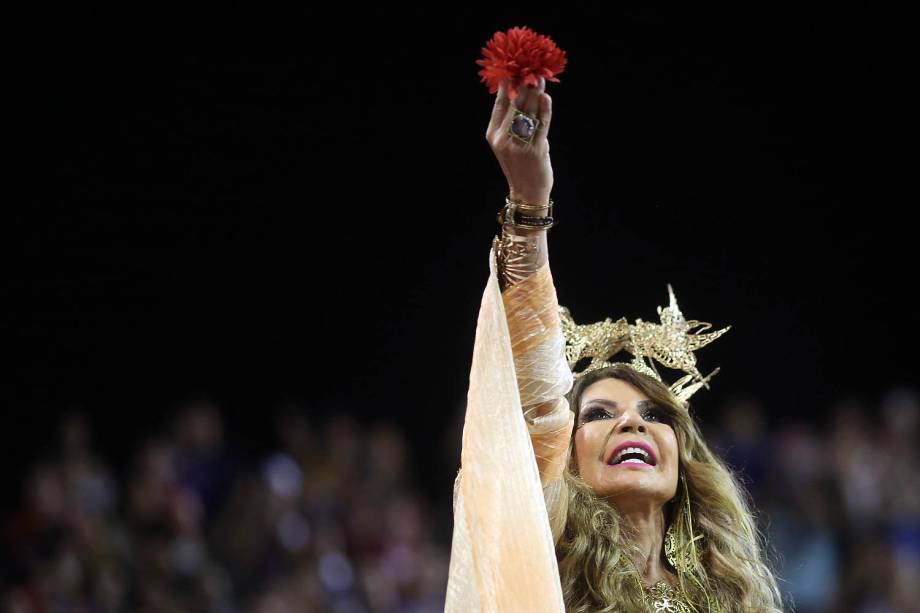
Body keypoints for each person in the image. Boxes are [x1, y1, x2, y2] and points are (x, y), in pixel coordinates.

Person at [445, 77, 784, 612]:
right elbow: (532, 391)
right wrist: (529, 204)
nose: (633, 424)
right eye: (600, 413)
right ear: (566, 455)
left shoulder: (735, 598)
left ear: (684, 456)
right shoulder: (544, 572)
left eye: (655, 415)